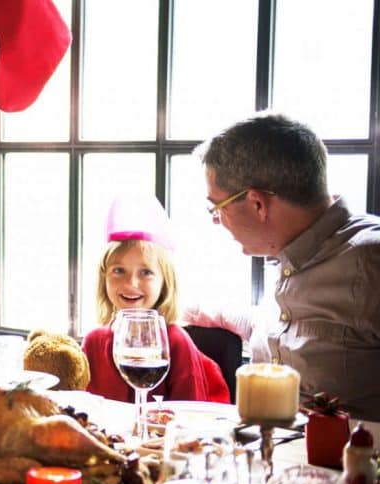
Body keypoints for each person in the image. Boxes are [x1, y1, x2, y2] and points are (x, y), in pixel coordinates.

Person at [197, 113, 380, 420]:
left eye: (217, 208)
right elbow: (308, 331)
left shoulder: (370, 261)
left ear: (257, 203)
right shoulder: (291, 254)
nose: (217, 220)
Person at [82, 195, 230, 403]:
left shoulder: (176, 342)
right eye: (119, 270)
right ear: (103, 278)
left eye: (145, 272)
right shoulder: (93, 342)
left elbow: (190, 417)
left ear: (165, 282)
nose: (131, 283)